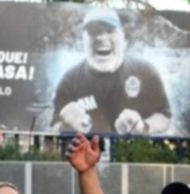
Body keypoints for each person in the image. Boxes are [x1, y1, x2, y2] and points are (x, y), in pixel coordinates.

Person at [52, 7, 172, 136]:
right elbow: (54, 126)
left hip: (132, 151)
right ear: (83, 41)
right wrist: (67, 126)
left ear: (123, 39)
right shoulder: (69, 80)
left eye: (110, 30)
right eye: (93, 31)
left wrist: (143, 127)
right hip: (89, 152)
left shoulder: (146, 71)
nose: (101, 37)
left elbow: (164, 116)